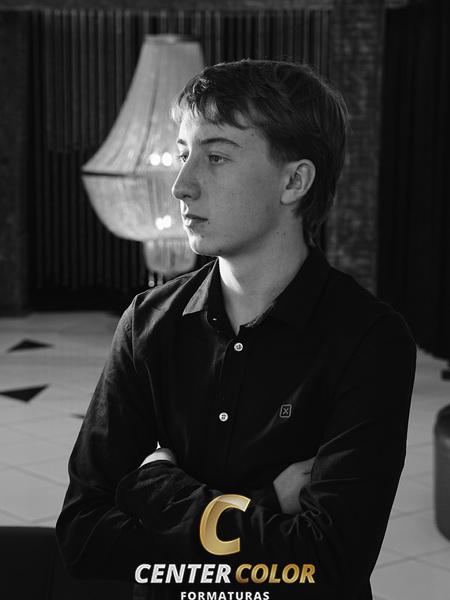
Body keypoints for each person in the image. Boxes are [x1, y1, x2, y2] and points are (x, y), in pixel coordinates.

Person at [56, 59, 416, 600]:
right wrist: (267, 504)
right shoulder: (148, 323)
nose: (181, 186)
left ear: (293, 181)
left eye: (216, 157)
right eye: (184, 154)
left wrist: (158, 488)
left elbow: (327, 563)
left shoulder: (370, 340)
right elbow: (84, 537)